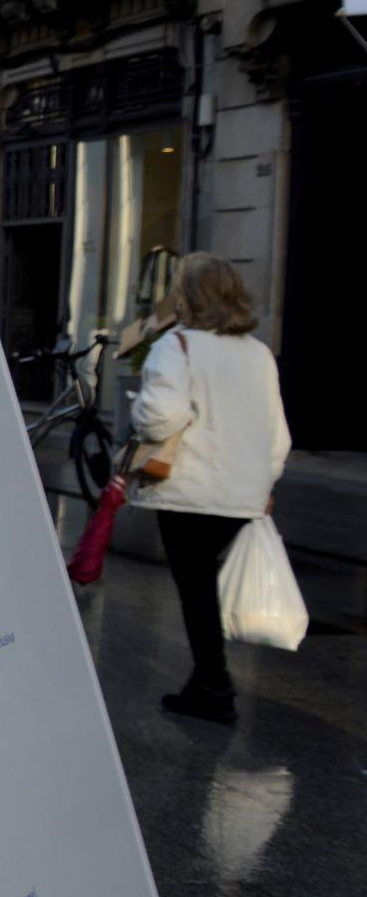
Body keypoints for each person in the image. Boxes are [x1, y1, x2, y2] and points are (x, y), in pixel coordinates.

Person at [131, 253, 290, 725]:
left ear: (187, 296)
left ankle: (214, 684)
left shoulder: (177, 347)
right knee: (204, 587)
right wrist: (264, 481)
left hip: (190, 490)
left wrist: (140, 410)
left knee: (196, 589)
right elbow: (278, 434)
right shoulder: (258, 353)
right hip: (242, 495)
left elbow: (161, 418)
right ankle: (208, 681)